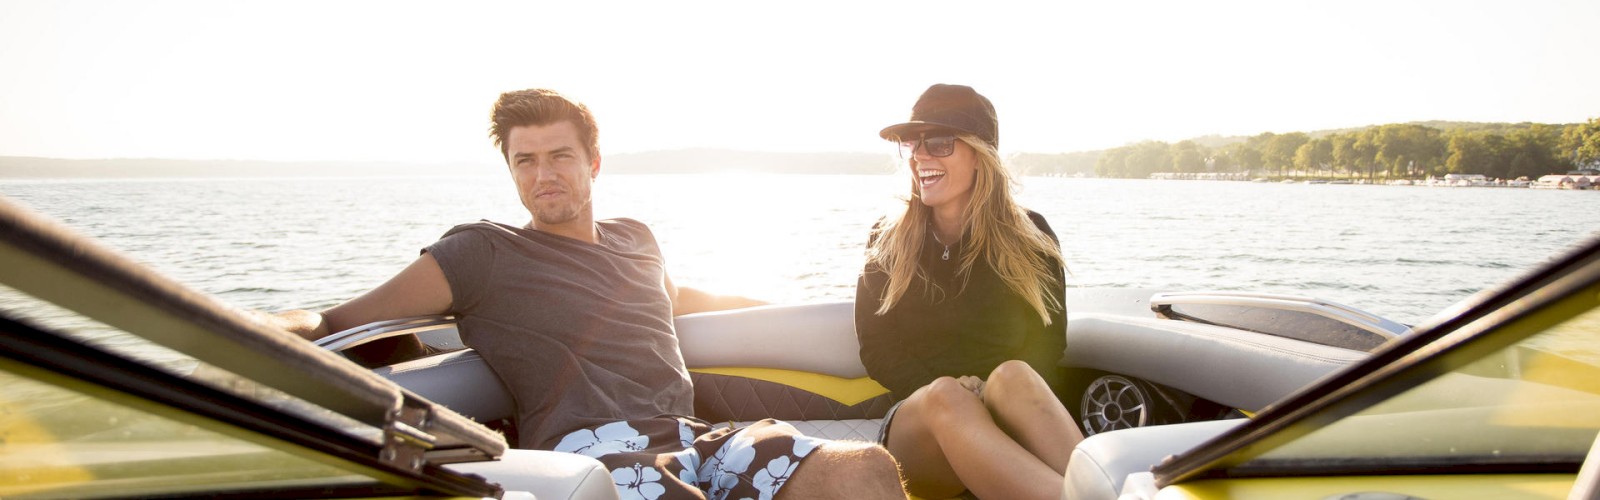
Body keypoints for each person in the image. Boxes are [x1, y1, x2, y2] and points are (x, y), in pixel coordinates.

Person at [267, 88, 906, 500]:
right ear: (510, 170)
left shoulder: (636, 239)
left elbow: (682, 299)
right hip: (593, 451)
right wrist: (261, 326)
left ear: (593, 163)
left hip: (696, 435)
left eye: (560, 156)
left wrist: (768, 304)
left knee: (863, 469)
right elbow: (339, 320)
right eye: (525, 160)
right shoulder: (482, 252)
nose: (543, 175)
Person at [854, 84, 1083, 500]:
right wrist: (960, 394)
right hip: (919, 429)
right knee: (946, 395)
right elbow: (877, 347)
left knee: (1015, 375)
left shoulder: (1031, 235)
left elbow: (1048, 341)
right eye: (913, 143)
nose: (921, 156)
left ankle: (1102, 489)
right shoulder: (887, 238)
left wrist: (988, 400)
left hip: (1005, 416)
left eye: (939, 142)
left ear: (980, 155)